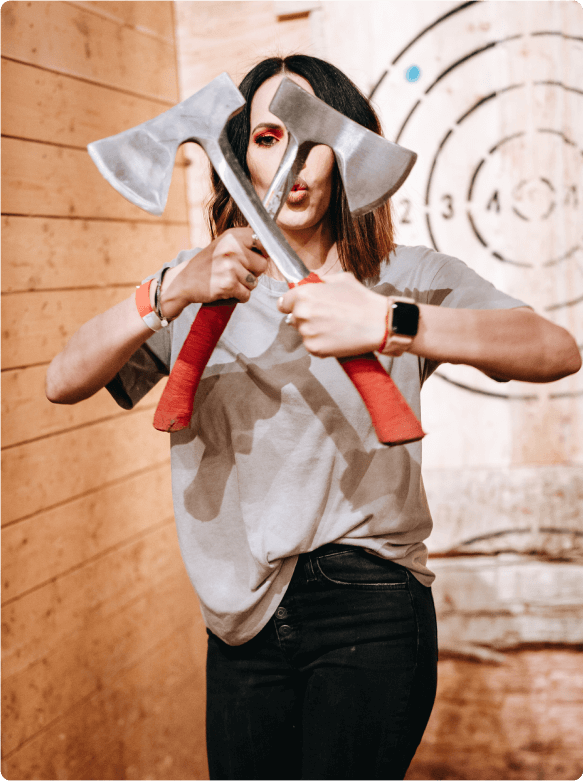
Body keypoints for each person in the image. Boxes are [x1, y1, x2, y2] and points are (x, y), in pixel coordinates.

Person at [46, 55, 581, 781]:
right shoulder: (202, 284)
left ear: (347, 152)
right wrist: (166, 289)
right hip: (238, 620)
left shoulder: (402, 274)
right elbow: (62, 379)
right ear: (237, 153)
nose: (292, 161)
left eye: (311, 135)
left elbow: (554, 349)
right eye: (267, 137)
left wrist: (390, 322)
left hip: (369, 604)